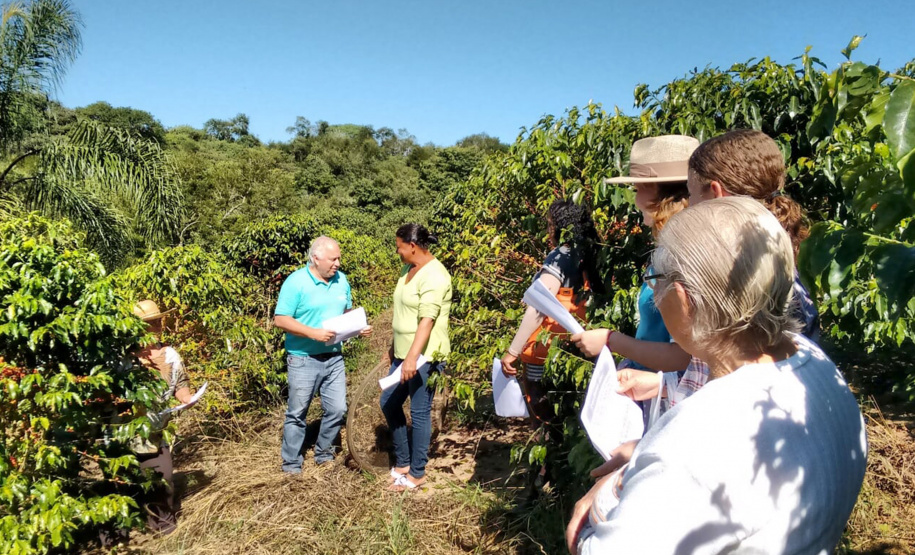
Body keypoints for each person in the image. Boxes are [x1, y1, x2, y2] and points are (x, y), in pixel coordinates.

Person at [567, 197, 867, 555]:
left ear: (684, 299)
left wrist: (602, 503)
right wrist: (643, 457)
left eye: (655, 281)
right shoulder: (813, 362)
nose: (655, 293)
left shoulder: (694, 441)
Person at [499, 198, 601, 487]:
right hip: (577, 353)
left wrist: (512, 351)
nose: (548, 230)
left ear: (559, 226)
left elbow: (538, 306)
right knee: (569, 415)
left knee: (545, 420)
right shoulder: (591, 253)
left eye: (550, 224)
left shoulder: (560, 256)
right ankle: (566, 475)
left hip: (544, 354)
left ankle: (548, 478)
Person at [274, 235, 371, 473]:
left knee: (338, 409)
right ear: (315, 258)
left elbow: (345, 312)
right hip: (303, 358)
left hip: (334, 358)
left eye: (339, 258)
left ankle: (324, 454)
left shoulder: (342, 280)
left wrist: (359, 327)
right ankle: (292, 464)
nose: (337, 263)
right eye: (333, 259)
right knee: (298, 413)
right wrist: (312, 333)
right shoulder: (295, 282)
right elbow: (280, 319)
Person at [381, 223, 452, 492]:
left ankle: (416, 472)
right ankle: (403, 462)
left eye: (398, 246)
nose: (396, 251)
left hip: (425, 357)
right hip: (404, 353)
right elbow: (404, 314)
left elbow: (426, 321)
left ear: (412, 246)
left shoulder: (435, 275)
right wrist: (394, 348)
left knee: (419, 411)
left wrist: (412, 358)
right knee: (388, 402)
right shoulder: (407, 269)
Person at [131, 299, 195, 535]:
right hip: (125, 431)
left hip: (156, 431)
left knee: (163, 479)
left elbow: (181, 384)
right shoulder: (125, 359)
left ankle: (165, 528)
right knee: (129, 483)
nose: (157, 326)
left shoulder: (170, 355)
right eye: (150, 323)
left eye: (157, 321)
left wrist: (187, 398)